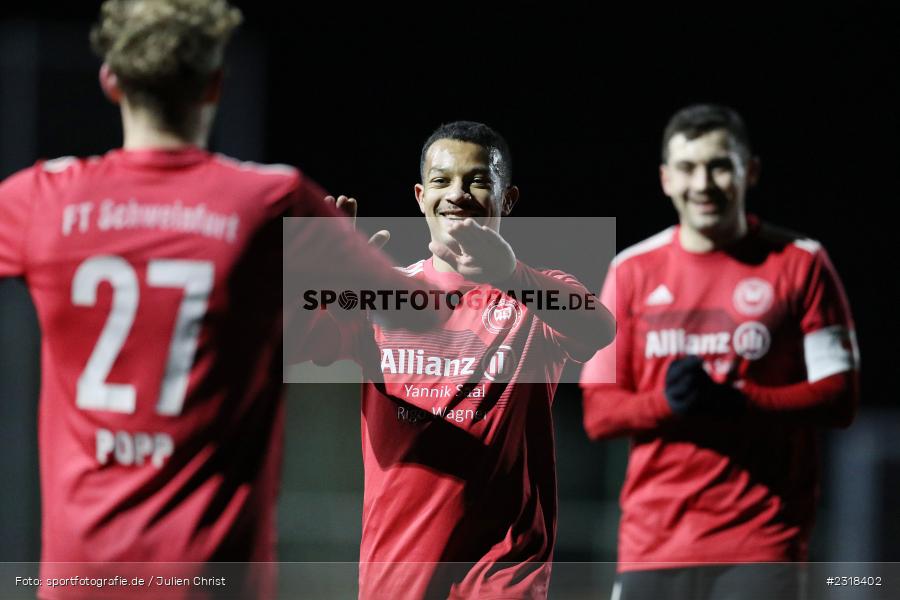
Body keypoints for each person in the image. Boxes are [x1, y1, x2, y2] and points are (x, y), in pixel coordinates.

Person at [0, 1, 439, 597]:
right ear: (215, 85)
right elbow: (422, 315)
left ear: (111, 80)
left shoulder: (42, 199)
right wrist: (335, 281)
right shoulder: (274, 201)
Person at [322, 121, 616, 599]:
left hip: (503, 574)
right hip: (394, 576)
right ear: (420, 196)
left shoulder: (536, 297)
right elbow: (289, 336)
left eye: (477, 180)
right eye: (441, 181)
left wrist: (511, 276)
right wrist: (312, 283)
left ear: (509, 199)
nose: (456, 194)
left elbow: (599, 327)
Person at [579, 104, 860, 600]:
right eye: (687, 168)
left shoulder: (802, 262)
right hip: (653, 542)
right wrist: (670, 403)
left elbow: (839, 396)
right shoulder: (630, 272)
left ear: (749, 171)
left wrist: (740, 400)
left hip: (762, 541)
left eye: (719, 166)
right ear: (666, 179)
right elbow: (599, 415)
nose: (703, 184)